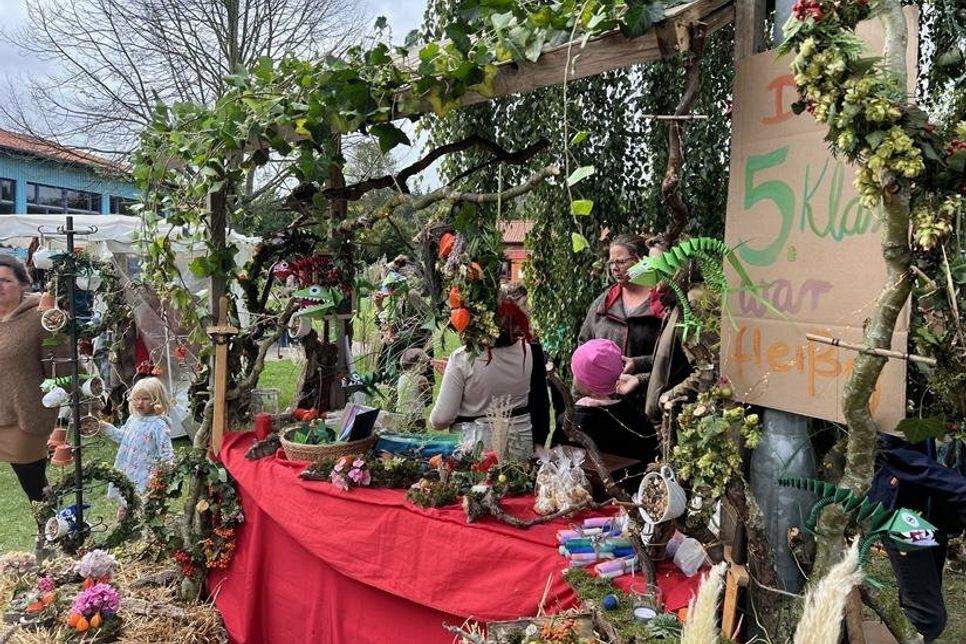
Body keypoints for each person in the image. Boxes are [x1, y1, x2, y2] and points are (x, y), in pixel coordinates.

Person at [868, 433, 966, 643]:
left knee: (922, 599)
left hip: (934, 509)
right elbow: (893, 453)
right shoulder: (892, 407)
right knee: (928, 619)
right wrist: (960, 489)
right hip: (904, 516)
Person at [578, 233, 690, 414]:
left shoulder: (665, 305)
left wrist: (638, 366)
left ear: (640, 260)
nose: (615, 268)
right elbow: (583, 349)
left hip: (651, 406)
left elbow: (676, 359)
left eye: (621, 262)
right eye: (611, 263)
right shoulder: (603, 304)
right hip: (605, 406)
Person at [430, 297, 545, 461]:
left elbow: (440, 419)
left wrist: (456, 378)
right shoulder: (529, 352)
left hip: (477, 450)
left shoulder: (462, 358)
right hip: (520, 445)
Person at [0, 254, 64, 504]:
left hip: (24, 416)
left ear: (23, 283)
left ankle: (53, 533)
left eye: (5, 280)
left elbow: (63, 366)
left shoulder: (41, 318)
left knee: (34, 485)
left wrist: (83, 406)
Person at [567, 338, 657, 487]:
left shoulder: (576, 420)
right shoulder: (636, 416)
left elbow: (559, 458)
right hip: (636, 495)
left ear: (587, 384)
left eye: (577, 373)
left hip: (590, 498)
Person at [99, 377, 175, 512]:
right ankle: (125, 520)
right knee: (126, 502)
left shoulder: (158, 425)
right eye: (136, 399)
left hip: (146, 476)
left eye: (145, 399)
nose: (140, 403)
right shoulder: (133, 419)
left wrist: (160, 477)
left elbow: (167, 454)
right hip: (128, 470)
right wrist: (104, 427)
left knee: (142, 508)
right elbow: (122, 437)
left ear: (157, 399)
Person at [395, 348, 433, 430]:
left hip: (401, 414)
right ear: (419, 364)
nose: (426, 365)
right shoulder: (421, 379)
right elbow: (429, 394)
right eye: (425, 363)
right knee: (419, 439)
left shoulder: (401, 378)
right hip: (416, 417)